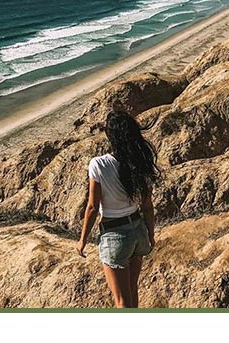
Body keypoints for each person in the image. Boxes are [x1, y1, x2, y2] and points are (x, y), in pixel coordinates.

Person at [77, 110, 159, 308]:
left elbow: (92, 207)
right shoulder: (139, 162)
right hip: (138, 230)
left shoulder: (98, 164)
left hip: (114, 235)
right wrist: (150, 234)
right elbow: (147, 206)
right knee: (131, 294)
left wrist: (82, 240)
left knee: (121, 302)